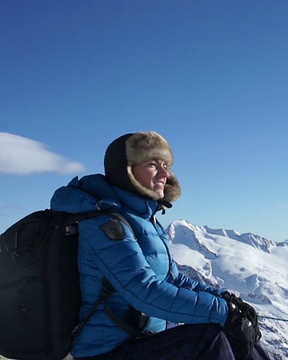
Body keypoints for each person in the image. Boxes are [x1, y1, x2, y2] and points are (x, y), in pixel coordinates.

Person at [50, 131, 269, 360]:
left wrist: (228, 301)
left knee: (241, 335)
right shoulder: (104, 222)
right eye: (153, 164)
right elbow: (144, 291)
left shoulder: (146, 220)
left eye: (165, 165)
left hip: (139, 341)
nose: (165, 173)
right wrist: (223, 313)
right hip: (105, 352)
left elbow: (173, 279)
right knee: (208, 338)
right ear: (126, 170)